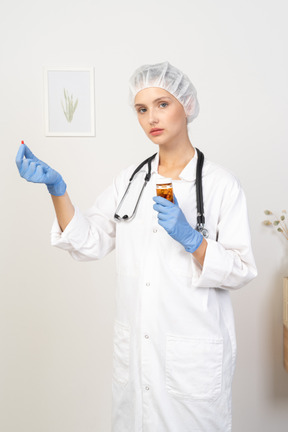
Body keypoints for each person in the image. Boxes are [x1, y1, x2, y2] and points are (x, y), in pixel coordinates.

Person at [16, 61, 257, 432]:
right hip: (138, 357)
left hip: (191, 361)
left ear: (187, 105)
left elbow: (242, 269)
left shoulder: (221, 184)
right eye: (142, 110)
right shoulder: (131, 181)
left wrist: (194, 241)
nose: (151, 119)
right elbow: (90, 241)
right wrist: (58, 190)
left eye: (162, 104)